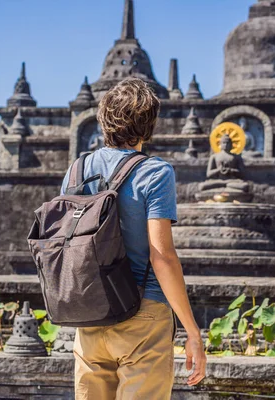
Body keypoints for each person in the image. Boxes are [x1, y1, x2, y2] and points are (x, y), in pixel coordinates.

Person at [60, 77, 206, 400]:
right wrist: (192, 331)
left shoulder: (76, 172)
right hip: (144, 316)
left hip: (89, 315)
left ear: (102, 121)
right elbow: (162, 257)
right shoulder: (154, 173)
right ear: (148, 126)